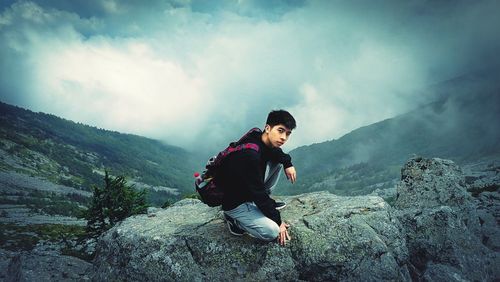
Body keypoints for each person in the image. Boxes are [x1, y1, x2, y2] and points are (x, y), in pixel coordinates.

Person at [218, 110, 297, 246]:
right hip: (235, 203)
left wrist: (287, 163)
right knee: (272, 232)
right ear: (267, 128)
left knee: (277, 162)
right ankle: (234, 219)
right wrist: (278, 221)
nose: (284, 137)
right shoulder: (250, 156)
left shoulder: (258, 136)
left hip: (248, 192)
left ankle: (259, 206)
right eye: (280, 130)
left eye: (288, 133)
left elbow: (275, 152)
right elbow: (258, 193)